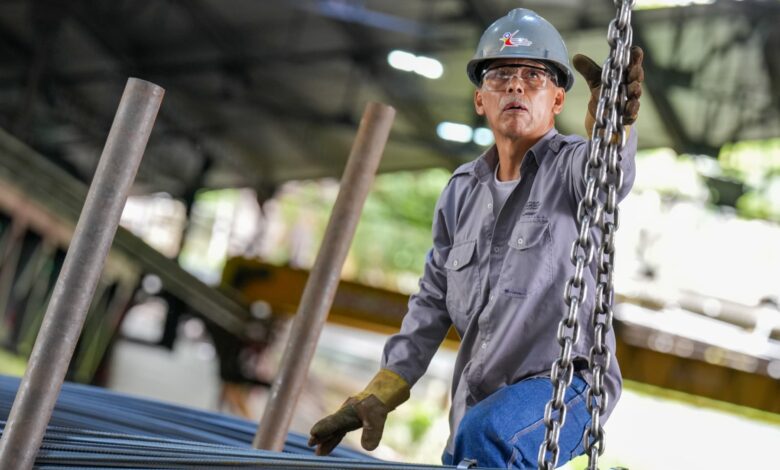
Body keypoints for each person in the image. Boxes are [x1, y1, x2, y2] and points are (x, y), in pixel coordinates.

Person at [309, 8, 644, 469]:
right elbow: (432, 303)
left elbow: (609, 174)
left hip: (568, 386)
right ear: (480, 100)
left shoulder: (572, 169)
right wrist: (382, 390)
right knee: (471, 443)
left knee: (487, 436)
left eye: (534, 76)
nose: (515, 86)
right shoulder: (461, 193)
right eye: (501, 75)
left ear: (558, 99)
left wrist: (612, 124)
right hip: (478, 405)